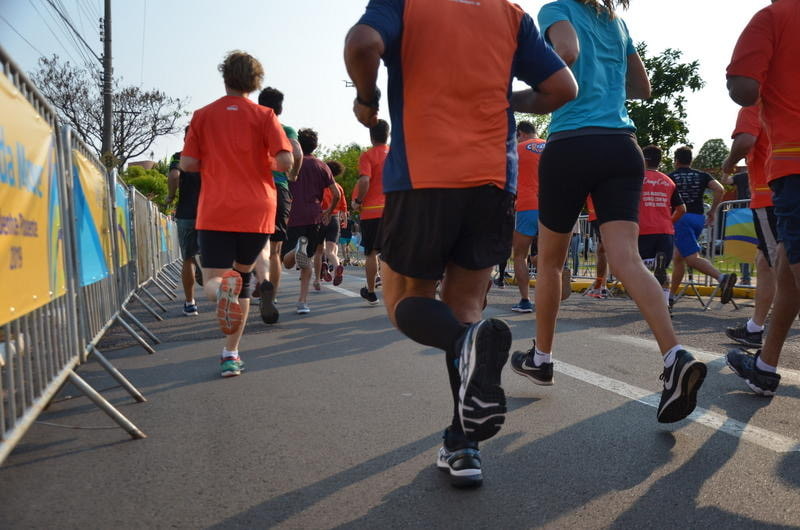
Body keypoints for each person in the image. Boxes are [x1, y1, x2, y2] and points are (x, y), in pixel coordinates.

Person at [345, 0, 577, 488]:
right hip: (493, 178)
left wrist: (367, 100)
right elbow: (561, 87)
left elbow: (363, 44)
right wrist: (511, 101)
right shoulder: (511, 15)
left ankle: (465, 349)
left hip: (423, 174)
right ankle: (463, 444)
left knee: (406, 303)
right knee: (466, 307)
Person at [510, 0, 707, 426]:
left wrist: (513, 97)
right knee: (627, 259)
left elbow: (565, 54)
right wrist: (606, 87)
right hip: (622, 145)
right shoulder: (615, 22)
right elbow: (643, 87)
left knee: (550, 261)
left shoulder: (555, 10)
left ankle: (542, 357)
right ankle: (675, 355)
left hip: (573, 143)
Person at [180, 50, 293, 378]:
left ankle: (220, 289)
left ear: (225, 76)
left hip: (216, 208)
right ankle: (231, 354)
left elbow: (187, 164)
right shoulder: (265, 115)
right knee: (243, 279)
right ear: (255, 82)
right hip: (257, 208)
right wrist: (262, 163)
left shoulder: (202, 116)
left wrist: (214, 164)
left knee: (215, 280)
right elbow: (285, 162)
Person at [725, 0, 800, 396]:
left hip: (793, 164)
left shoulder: (773, 17)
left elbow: (744, 88)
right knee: (787, 269)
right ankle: (765, 366)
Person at [721, 105, 776, 348]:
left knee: (780, 266)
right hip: (777, 192)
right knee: (765, 261)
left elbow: (745, 140)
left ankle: (763, 345)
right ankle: (755, 327)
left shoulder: (755, 103)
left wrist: (729, 161)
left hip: (770, 194)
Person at [252, 87, 304, 324]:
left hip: (253, 189)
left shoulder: (251, 127)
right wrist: (292, 175)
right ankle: (271, 297)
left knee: (255, 246)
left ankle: (259, 280)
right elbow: (297, 153)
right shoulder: (286, 129)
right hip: (279, 190)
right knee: (275, 251)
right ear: (280, 108)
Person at [668, 145, 737, 306]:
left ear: (676, 161)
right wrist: (713, 211)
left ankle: (722, 278)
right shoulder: (701, 175)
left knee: (691, 258)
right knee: (679, 257)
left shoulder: (671, 177)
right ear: (690, 160)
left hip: (680, 217)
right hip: (698, 218)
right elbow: (719, 189)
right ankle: (670, 296)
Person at [281, 128, 339, 315]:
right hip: (315, 216)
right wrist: (329, 211)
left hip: (293, 215)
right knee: (307, 261)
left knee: (287, 262)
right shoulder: (322, 166)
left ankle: (295, 249)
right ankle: (302, 302)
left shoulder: (291, 164)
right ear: (315, 145)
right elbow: (336, 194)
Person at [638, 145, 686, 308]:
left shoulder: (637, 178)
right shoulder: (669, 181)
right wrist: (669, 222)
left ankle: (651, 262)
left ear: (644, 159)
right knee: (663, 270)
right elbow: (682, 209)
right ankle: (665, 304)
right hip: (665, 230)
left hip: (643, 229)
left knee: (636, 267)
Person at [352, 120, 389, 305]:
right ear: (388, 134)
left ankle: (371, 291)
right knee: (392, 252)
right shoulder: (396, 154)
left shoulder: (368, 155)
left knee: (372, 253)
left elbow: (364, 181)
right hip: (394, 211)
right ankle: (395, 291)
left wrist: (358, 201)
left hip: (372, 212)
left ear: (371, 135)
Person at [166, 127, 202, 316]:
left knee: (188, 258)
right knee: (213, 256)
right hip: (209, 214)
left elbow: (174, 175)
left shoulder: (179, 156)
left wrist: (171, 196)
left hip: (186, 213)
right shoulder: (209, 157)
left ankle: (190, 303)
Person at [511, 121, 545, 313]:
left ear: (521, 133)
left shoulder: (518, 149)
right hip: (552, 207)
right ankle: (548, 297)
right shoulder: (552, 145)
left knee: (520, 256)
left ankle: (525, 300)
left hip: (527, 205)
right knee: (547, 257)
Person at [585, 197, 611, 299]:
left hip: (600, 214)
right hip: (599, 214)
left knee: (603, 251)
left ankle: (600, 287)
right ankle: (601, 286)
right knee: (602, 250)